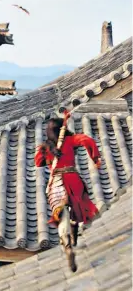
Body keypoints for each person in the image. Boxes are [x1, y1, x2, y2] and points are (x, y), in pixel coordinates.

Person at [35, 114, 101, 272]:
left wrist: (48, 153)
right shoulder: (70, 141)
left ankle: (67, 245)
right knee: (77, 210)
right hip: (73, 179)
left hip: (56, 184)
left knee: (60, 214)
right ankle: (74, 231)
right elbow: (86, 140)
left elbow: (38, 162)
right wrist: (95, 158)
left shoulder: (45, 147)